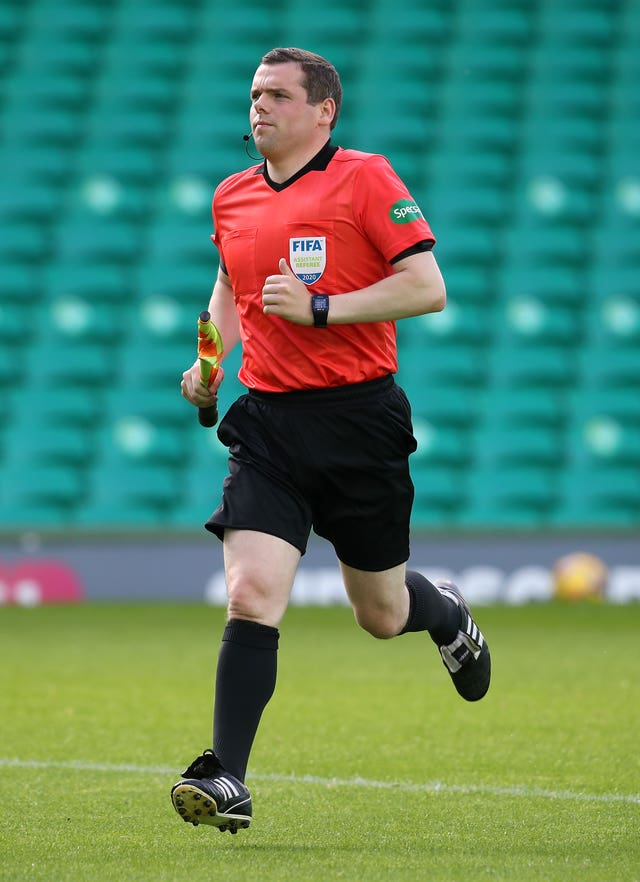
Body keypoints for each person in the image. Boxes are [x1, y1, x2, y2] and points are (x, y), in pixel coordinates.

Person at [172, 47, 490, 835]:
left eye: (278, 95)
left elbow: (428, 287)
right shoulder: (231, 196)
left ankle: (443, 614)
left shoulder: (366, 178)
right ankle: (228, 778)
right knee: (250, 593)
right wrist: (210, 364)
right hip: (271, 422)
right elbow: (231, 289)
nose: (259, 108)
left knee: (380, 613)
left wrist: (321, 309)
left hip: (359, 419)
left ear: (324, 112)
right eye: (253, 94)